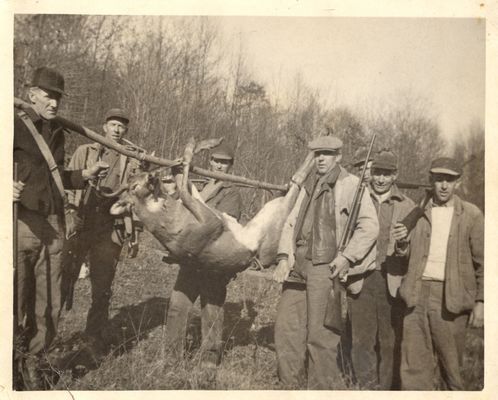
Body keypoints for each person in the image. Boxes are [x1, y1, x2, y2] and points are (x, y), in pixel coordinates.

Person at [13, 67, 108, 389]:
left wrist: (85, 175)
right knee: (15, 299)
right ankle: (11, 364)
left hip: (53, 224)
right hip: (22, 222)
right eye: (49, 95)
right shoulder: (11, 125)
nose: (54, 103)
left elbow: (57, 177)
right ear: (32, 94)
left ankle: (35, 363)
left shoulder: (56, 132)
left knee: (50, 303)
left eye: (58, 97)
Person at [272, 136, 379, 389]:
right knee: (286, 329)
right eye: (317, 153)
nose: (320, 158)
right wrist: (284, 257)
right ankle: (290, 386)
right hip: (298, 266)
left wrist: (346, 257)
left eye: (327, 154)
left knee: (320, 336)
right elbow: (290, 222)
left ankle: (321, 390)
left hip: (326, 267)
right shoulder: (309, 185)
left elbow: (370, 226)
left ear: (339, 156)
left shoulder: (352, 185)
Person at [393, 157, 484, 390]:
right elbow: (405, 255)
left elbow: (484, 263)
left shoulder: (472, 215)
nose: (444, 185)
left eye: (449, 180)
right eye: (439, 179)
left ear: (458, 183)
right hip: (417, 295)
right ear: (431, 181)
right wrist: (401, 244)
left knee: (451, 371)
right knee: (413, 368)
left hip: (451, 298)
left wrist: (481, 301)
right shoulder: (418, 212)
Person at [64, 108, 142, 351]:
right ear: (104, 127)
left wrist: (133, 232)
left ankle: (94, 335)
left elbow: (135, 198)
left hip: (110, 226)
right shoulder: (85, 151)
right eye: (113, 125)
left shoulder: (130, 159)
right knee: (64, 277)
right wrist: (68, 216)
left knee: (103, 284)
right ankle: (47, 334)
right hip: (82, 220)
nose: (117, 130)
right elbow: (67, 184)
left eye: (122, 127)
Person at [163, 143, 242, 367]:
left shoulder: (232, 192)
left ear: (230, 166)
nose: (219, 165)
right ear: (210, 162)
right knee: (178, 304)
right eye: (216, 160)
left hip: (214, 260)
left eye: (224, 162)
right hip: (191, 259)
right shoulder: (202, 186)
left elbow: (222, 222)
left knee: (212, 308)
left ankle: (210, 356)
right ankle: (171, 355)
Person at [348, 149, 415, 389]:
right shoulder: (357, 200)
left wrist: (404, 246)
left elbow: (414, 250)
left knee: (389, 342)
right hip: (361, 279)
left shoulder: (408, 206)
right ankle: (367, 388)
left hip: (392, 281)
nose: (380, 179)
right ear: (371, 173)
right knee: (361, 341)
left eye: (386, 174)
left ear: (395, 176)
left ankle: (386, 389)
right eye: (377, 173)